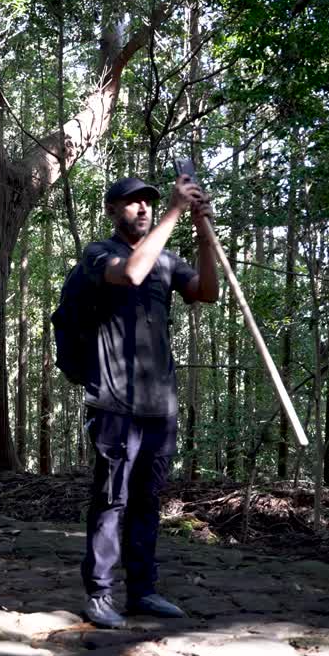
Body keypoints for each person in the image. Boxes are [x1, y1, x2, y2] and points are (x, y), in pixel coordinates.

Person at [77, 173, 220, 629]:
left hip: (161, 404)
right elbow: (133, 271)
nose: (141, 208)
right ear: (112, 210)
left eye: (148, 203)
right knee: (111, 501)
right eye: (132, 202)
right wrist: (175, 210)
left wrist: (201, 231)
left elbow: (207, 291)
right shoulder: (100, 254)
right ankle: (99, 594)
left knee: (147, 501)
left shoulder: (168, 260)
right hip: (115, 401)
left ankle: (142, 591)